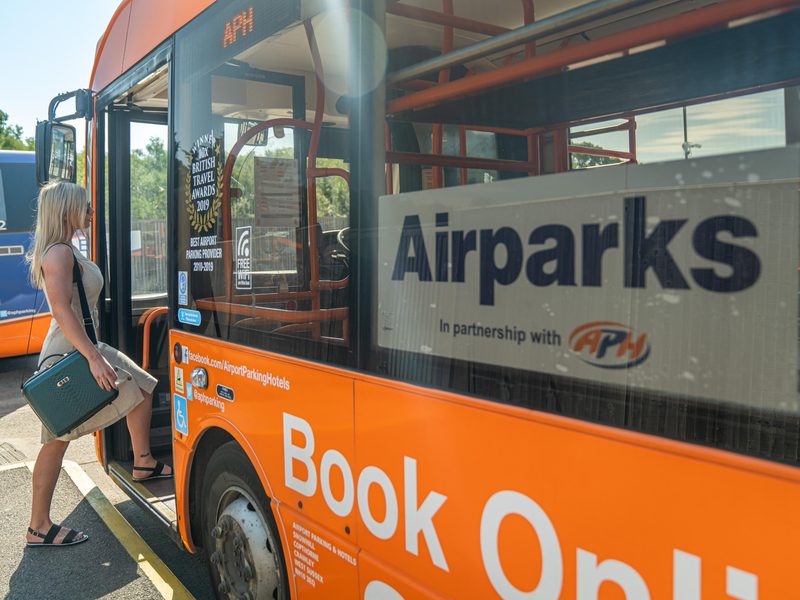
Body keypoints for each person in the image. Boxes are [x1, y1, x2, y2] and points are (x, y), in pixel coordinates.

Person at [23, 181, 172, 547]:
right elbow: (61, 310)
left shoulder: (66, 249)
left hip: (86, 347)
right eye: (86, 207)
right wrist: (92, 357)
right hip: (71, 353)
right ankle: (38, 527)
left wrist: (94, 352)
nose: (92, 213)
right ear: (66, 210)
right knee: (57, 440)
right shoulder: (58, 253)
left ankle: (142, 460)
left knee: (141, 385)